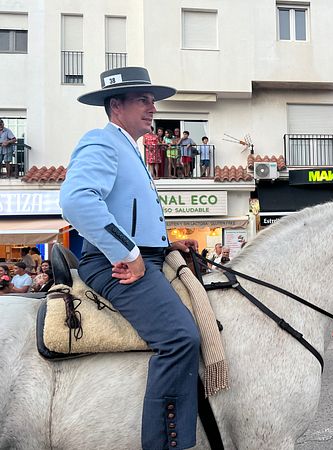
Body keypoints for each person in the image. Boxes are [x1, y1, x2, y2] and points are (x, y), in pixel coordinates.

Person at [59, 66, 200, 450]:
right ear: (116, 105)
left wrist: (167, 244)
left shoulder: (130, 149)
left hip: (145, 257)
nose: (153, 107)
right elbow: (76, 201)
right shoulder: (101, 142)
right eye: (143, 99)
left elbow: (129, 212)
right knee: (180, 337)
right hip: (112, 263)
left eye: (152, 100)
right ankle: (165, 443)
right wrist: (130, 253)